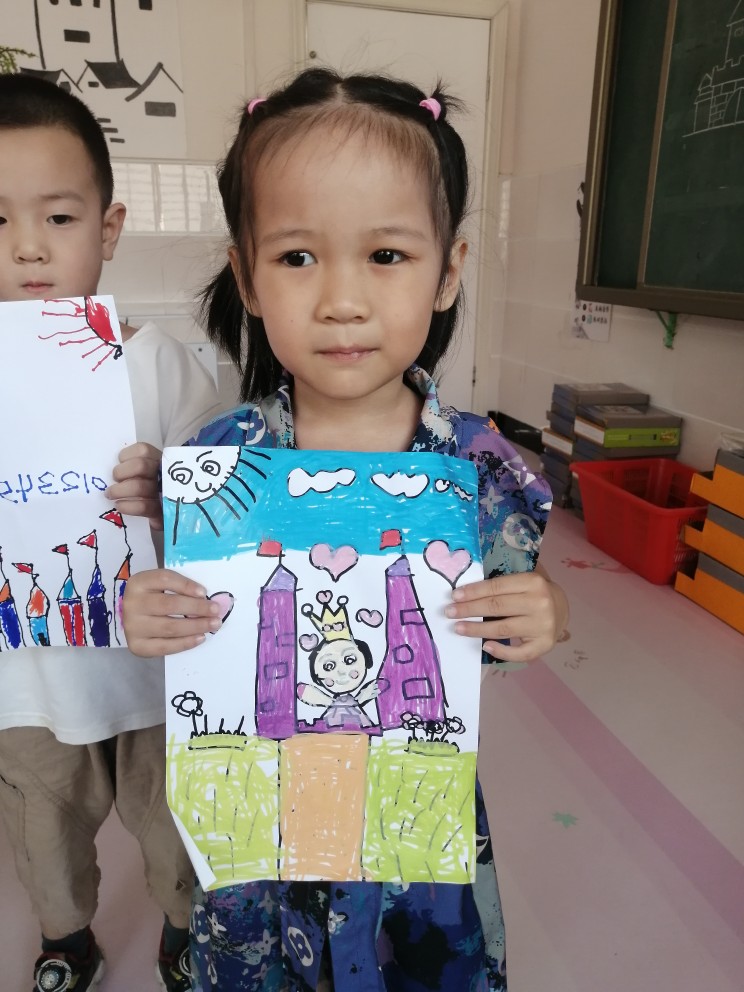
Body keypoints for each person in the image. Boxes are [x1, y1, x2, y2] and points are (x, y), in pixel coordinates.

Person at [121, 67, 569, 992]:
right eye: (297, 258)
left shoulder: (483, 468)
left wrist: (539, 614)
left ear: (449, 271)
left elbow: (488, 637)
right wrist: (152, 612)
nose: (341, 299)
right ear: (246, 276)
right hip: (259, 843)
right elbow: (194, 623)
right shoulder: (218, 463)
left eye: (387, 255)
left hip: (410, 839)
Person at [0, 73, 224, 992]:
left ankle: (184, 930)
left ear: (108, 227)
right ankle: (69, 941)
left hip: (155, 672)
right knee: (41, 828)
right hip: (26, 675)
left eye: (58, 217)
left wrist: (169, 495)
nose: (26, 246)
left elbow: (225, 518)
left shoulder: (162, 366)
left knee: (177, 823)